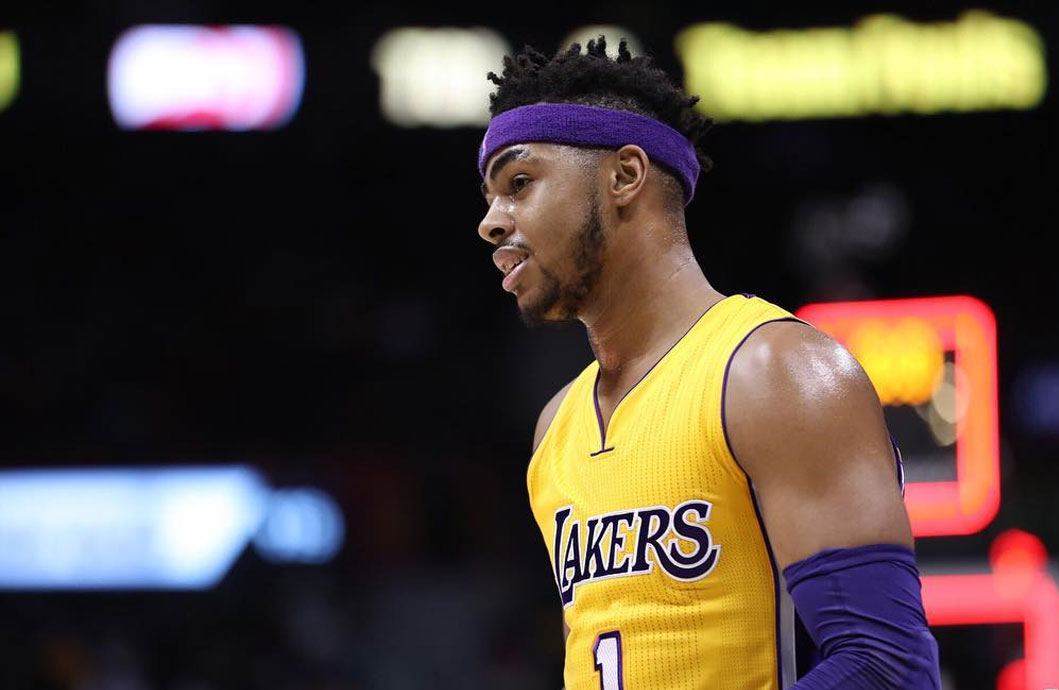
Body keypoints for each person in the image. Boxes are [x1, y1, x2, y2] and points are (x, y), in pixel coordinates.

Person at [476, 37, 940, 690]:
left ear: (624, 176)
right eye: (490, 198)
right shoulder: (556, 427)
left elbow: (887, 666)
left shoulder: (772, 371)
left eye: (519, 184)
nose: (491, 222)